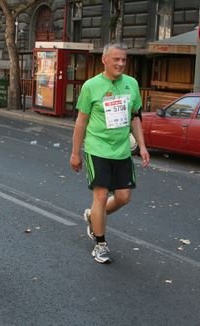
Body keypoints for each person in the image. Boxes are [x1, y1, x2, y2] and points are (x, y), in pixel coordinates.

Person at [70, 42, 150, 264]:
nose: (121, 63)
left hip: (122, 150)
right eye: (116, 59)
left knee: (124, 197)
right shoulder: (91, 86)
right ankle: (100, 244)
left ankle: (92, 216)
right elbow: (81, 121)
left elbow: (135, 117)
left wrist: (142, 146)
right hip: (97, 148)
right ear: (105, 60)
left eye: (124, 59)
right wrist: (75, 153)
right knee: (101, 195)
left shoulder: (132, 84)